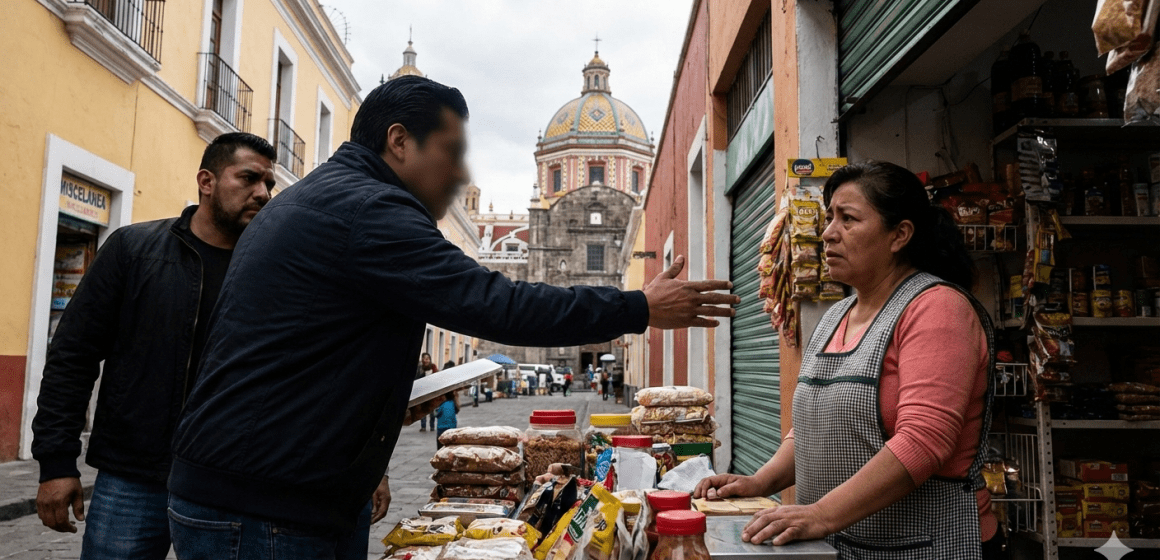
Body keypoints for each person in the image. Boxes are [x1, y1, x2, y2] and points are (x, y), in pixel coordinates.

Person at [167, 75, 738, 557]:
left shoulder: (322, 197)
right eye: (450, 151)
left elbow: (302, 346)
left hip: (259, 487)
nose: (461, 174)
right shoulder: (371, 210)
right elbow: (496, 302)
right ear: (399, 141)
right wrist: (637, 306)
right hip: (265, 508)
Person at [694, 161, 997, 559]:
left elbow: (924, 442)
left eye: (848, 219)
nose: (828, 234)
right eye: (829, 218)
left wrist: (820, 515)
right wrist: (759, 482)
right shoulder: (836, 315)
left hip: (924, 545)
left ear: (899, 235)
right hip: (840, 545)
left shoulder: (938, 308)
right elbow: (810, 430)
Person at [29, 133, 276, 557]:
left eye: (269, 184)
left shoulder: (271, 271)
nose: (263, 193)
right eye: (249, 178)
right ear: (207, 181)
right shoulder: (133, 250)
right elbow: (73, 355)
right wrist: (56, 463)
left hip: (227, 485)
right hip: (132, 479)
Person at [416, 353, 438, 432]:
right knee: (423, 411)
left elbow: (437, 377)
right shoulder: (420, 368)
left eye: (428, 358)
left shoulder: (433, 367)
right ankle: (423, 426)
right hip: (422, 392)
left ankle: (432, 426)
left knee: (432, 411)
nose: (426, 360)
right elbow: (417, 379)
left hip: (431, 393)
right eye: (425, 358)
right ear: (422, 359)